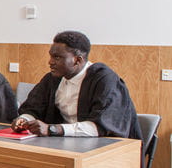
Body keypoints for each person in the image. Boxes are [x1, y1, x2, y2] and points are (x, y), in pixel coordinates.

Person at [11, 31, 141, 140]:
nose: (50, 62)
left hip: (105, 149)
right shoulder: (52, 79)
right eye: (51, 56)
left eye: (57, 57)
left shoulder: (104, 80)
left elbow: (101, 127)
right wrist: (23, 120)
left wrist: (53, 129)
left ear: (77, 60)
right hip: (66, 144)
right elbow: (33, 108)